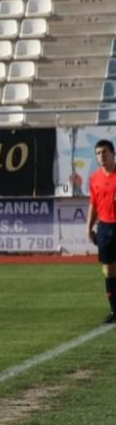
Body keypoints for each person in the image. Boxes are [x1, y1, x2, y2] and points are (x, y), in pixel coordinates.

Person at [87, 138, 116, 324]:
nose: (101, 156)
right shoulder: (94, 178)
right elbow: (93, 204)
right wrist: (88, 227)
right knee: (108, 270)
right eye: (98, 153)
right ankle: (114, 310)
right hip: (104, 228)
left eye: (104, 152)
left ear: (113, 153)